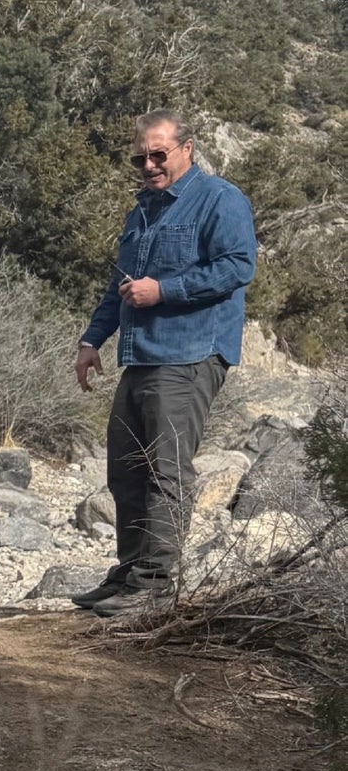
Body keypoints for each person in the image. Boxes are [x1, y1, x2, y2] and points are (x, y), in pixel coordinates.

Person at [71, 109, 256, 619]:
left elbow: (238, 266)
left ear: (187, 149)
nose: (149, 165)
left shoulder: (220, 199)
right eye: (141, 158)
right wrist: (92, 339)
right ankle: (130, 573)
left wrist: (165, 290)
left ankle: (154, 586)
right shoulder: (143, 211)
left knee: (165, 471)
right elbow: (121, 286)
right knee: (126, 469)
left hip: (191, 354)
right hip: (142, 355)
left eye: (158, 154)